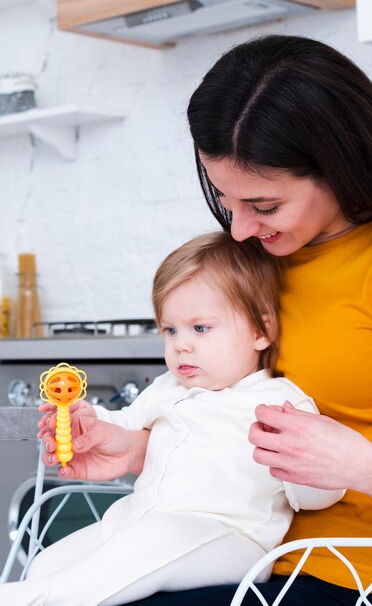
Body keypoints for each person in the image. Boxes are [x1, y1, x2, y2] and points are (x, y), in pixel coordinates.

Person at [39, 35, 372, 606]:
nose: (238, 230)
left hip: (367, 579)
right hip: (251, 555)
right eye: (228, 200)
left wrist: (360, 464)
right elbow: (232, 428)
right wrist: (138, 449)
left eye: (264, 206)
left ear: (340, 168)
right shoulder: (259, 261)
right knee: (52, 573)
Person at [4, 231, 344, 606]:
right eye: (170, 330)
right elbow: (127, 422)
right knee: (50, 562)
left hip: (229, 539)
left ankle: (27, 599)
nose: (181, 344)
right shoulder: (169, 387)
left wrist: (300, 466)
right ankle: (37, 588)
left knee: (150, 541)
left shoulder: (280, 404)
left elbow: (321, 495)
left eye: (200, 328)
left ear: (261, 331)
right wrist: (89, 420)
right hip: (138, 520)